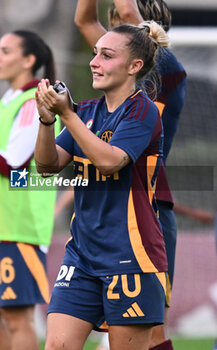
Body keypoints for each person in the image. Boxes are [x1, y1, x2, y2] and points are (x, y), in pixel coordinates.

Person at [35, 20, 170, 350]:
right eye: (95, 54)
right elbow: (46, 165)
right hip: (81, 255)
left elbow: (110, 161)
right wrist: (47, 120)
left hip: (131, 257)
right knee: (57, 346)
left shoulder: (143, 111)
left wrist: (67, 116)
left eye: (106, 55)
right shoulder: (87, 112)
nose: (95, 62)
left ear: (134, 66)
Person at [75, 1, 187, 350]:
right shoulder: (116, 64)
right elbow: (83, 19)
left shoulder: (163, 67)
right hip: (106, 208)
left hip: (145, 206)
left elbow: (124, 11)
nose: (99, 59)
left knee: (153, 330)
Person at [0, 30, 59, 350]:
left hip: (18, 229)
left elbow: (12, 165)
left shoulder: (34, 102)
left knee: (17, 319)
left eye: (5, 51)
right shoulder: (10, 99)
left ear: (29, 60)